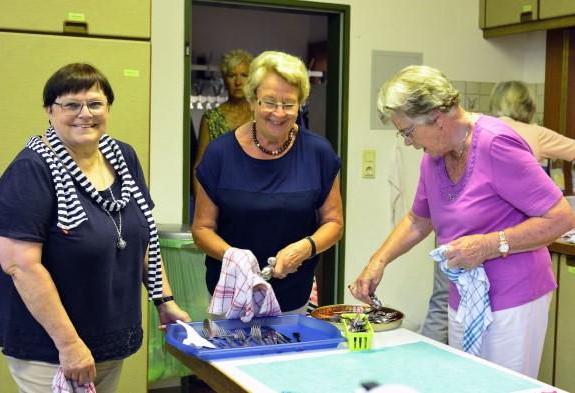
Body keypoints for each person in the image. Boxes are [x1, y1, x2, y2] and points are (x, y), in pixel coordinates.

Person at [349, 65, 573, 377]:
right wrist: (378, 261)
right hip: (464, 295)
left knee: (502, 388)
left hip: (513, 300)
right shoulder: (434, 157)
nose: (408, 143)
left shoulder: (496, 144)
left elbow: (561, 217)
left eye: (407, 132)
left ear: (438, 117)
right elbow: (418, 218)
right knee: (465, 382)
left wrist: (488, 245)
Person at [0, 63, 191, 393]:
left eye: (95, 104)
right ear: (49, 111)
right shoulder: (31, 170)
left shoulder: (122, 156)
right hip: (51, 346)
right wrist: (69, 344)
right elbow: (20, 266)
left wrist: (164, 300)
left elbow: (143, 236)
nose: (85, 114)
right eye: (71, 104)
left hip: (107, 335)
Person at [421, 79, 575, 345]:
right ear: (529, 105)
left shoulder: (480, 131)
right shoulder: (533, 133)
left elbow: (418, 217)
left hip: (453, 239)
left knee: (440, 303)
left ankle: (428, 364)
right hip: (497, 258)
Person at [192, 50, 343, 315]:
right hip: (231, 300)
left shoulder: (318, 153)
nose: (279, 113)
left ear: (301, 104)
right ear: (252, 101)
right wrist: (233, 256)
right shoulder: (220, 154)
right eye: (269, 102)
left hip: (294, 299)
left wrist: (305, 248)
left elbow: (334, 223)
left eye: (289, 104)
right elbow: (202, 229)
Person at [192, 49, 253, 195]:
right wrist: (201, 210)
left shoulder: (262, 116)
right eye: (232, 75)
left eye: (244, 75)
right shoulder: (211, 118)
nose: (238, 82)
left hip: (259, 197)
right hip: (220, 199)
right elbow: (199, 168)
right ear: (224, 80)